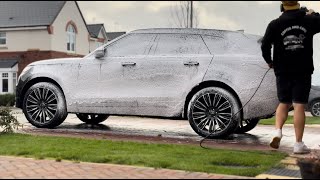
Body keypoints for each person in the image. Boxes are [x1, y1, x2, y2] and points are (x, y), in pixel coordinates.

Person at [261, 1, 320, 154]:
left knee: (284, 103)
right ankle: (298, 144)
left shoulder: (274, 24)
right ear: (297, 4)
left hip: (282, 70)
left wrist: (269, 61)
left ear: (283, 6)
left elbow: (265, 45)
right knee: (299, 105)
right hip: (303, 70)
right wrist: (313, 14)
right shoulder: (309, 20)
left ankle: (277, 131)